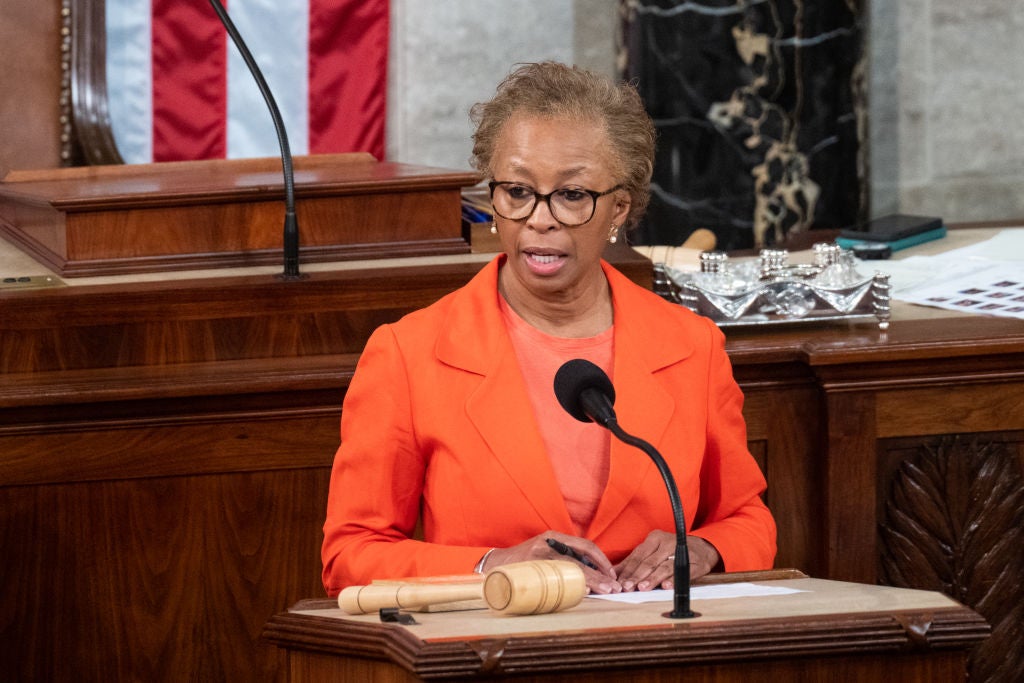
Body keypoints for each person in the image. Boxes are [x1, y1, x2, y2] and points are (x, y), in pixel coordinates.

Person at [322, 61, 776, 596]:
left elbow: (748, 521)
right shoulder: (409, 353)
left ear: (619, 210)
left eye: (572, 195)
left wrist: (704, 549)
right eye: (517, 191)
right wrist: (490, 566)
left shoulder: (690, 346)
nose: (540, 219)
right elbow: (351, 554)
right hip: (493, 653)